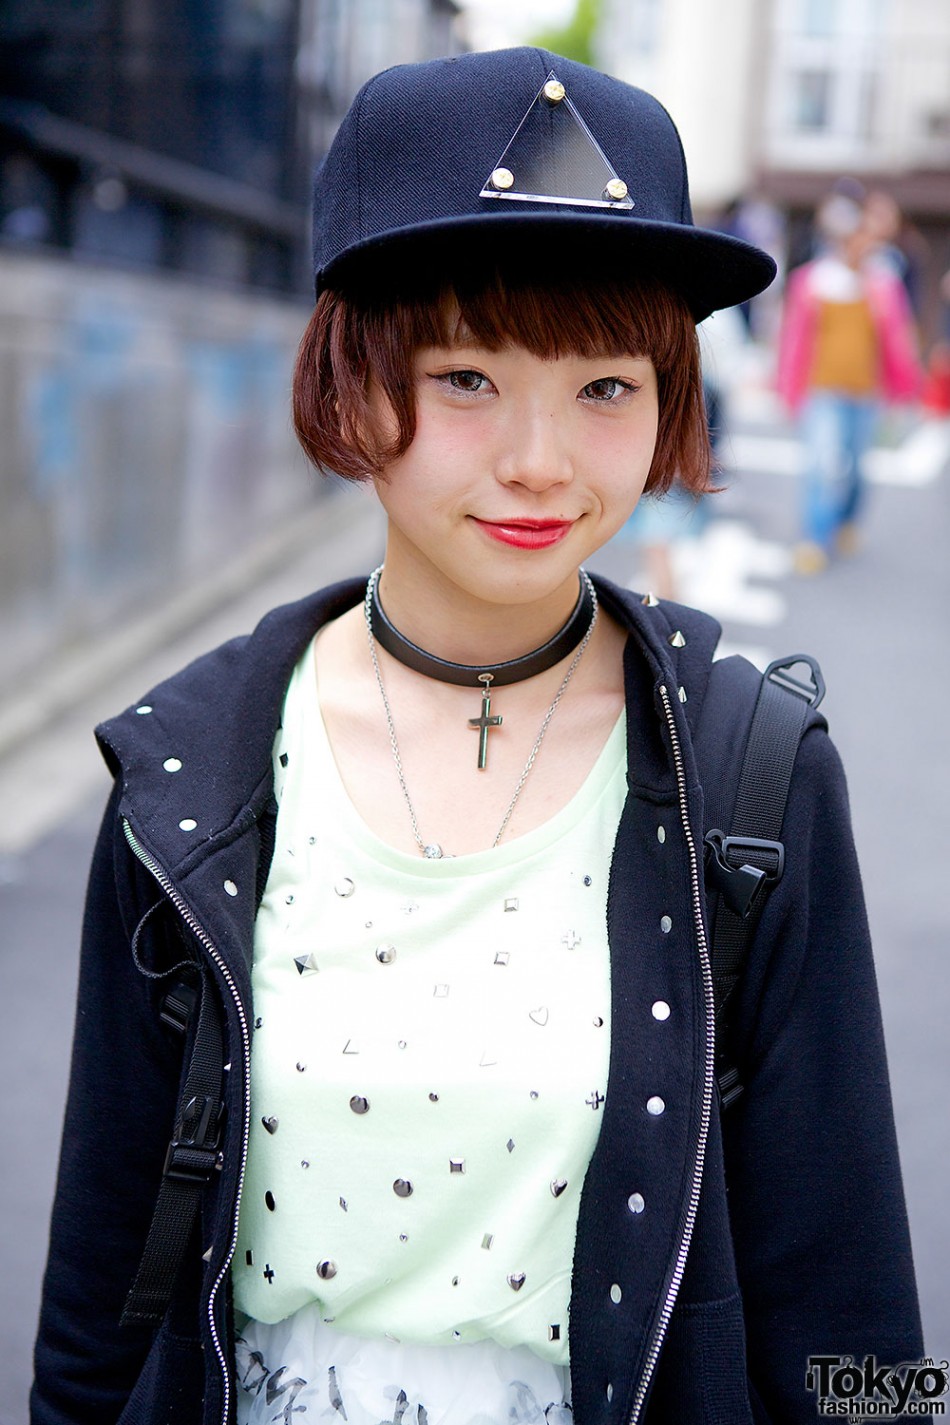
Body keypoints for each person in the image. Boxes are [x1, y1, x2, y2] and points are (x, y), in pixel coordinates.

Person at [32, 49, 924, 1425]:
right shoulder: (187, 770)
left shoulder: (752, 769)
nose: (538, 461)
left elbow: (850, 1292)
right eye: (464, 377)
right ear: (347, 376)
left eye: (604, 388)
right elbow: (100, 1286)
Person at [776, 191, 921, 573]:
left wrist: (905, 391)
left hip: (867, 391)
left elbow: (898, 342)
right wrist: (787, 391)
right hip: (821, 389)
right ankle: (814, 538)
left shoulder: (885, 284)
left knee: (858, 467)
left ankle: (847, 522)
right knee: (821, 465)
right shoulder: (812, 281)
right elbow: (793, 341)